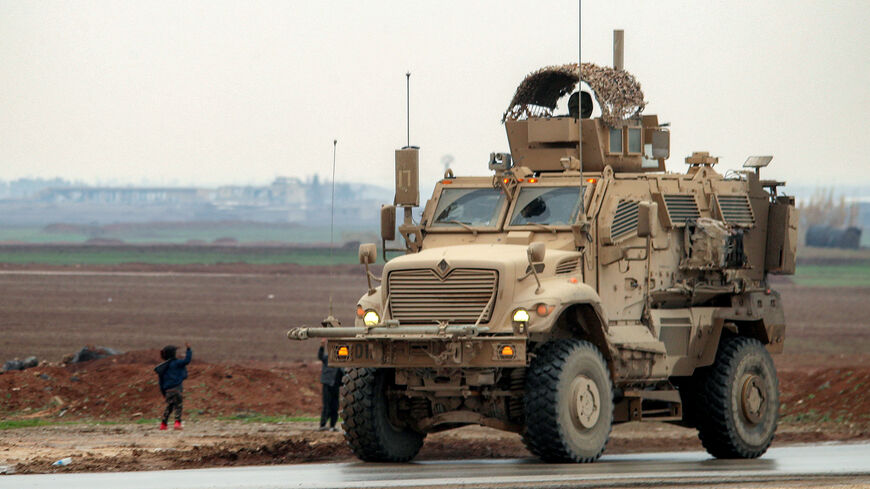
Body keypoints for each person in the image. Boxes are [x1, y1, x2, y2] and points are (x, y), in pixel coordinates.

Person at [154, 342, 192, 430]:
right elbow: (187, 360)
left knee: (169, 407)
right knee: (178, 406)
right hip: (177, 388)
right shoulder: (177, 363)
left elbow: (161, 382)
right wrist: (189, 350)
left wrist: (163, 392)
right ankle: (177, 423)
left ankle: (163, 424)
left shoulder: (163, 367)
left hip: (167, 390)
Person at [317, 339, 343, 431]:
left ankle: (332, 426)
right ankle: (323, 425)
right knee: (326, 405)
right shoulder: (327, 358)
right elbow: (320, 356)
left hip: (335, 386)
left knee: (335, 406)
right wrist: (322, 346)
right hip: (327, 384)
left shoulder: (341, 362)